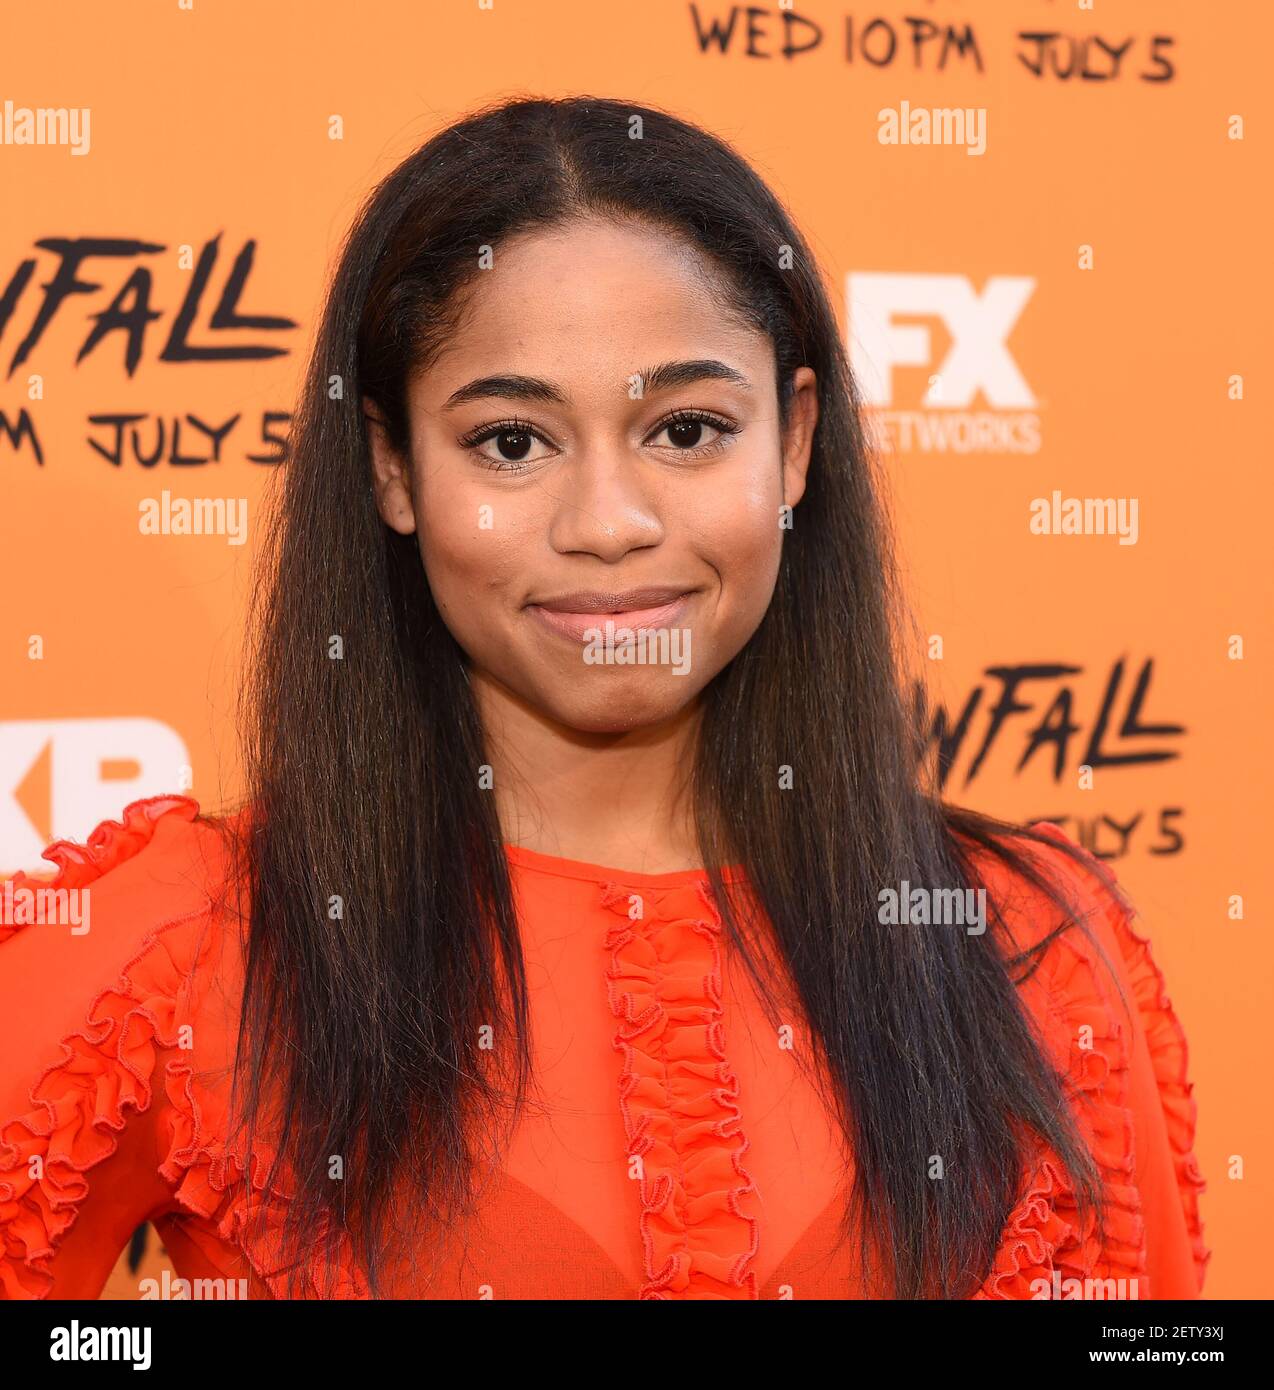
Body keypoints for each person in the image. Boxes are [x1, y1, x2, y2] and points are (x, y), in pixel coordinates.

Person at [0, 95, 1208, 1301]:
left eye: (685, 429)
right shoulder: (193, 947)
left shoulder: (1026, 949)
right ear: (390, 466)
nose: (609, 524)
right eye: (512, 443)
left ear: (790, 442)